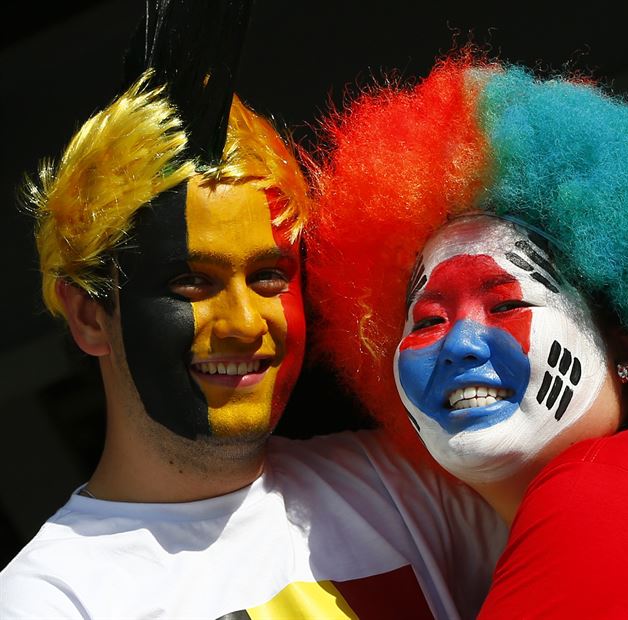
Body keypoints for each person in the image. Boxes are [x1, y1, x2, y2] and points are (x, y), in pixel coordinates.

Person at [0, 6, 505, 618]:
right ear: (87, 317)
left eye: (269, 276)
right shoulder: (50, 597)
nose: (244, 322)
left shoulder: (409, 479)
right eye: (191, 283)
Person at [306, 55, 628, 616]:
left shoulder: (596, 492)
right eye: (427, 320)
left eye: (508, 303)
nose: (461, 343)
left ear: (626, 348)